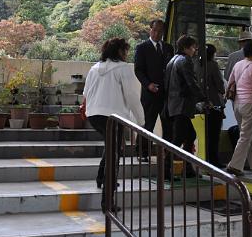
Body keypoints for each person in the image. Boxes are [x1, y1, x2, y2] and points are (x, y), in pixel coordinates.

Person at [84, 37, 145, 209]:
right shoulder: (123, 69)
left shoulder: (94, 68)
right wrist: (141, 122)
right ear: (119, 51)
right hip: (113, 117)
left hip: (95, 115)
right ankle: (107, 202)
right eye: (125, 50)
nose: (127, 54)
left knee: (112, 148)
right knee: (114, 155)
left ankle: (101, 178)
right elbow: (132, 97)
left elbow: (86, 92)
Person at [224, 29, 252, 167]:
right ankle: (236, 165)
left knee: (246, 132)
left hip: (237, 102)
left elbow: (228, 79)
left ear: (241, 43)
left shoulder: (234, 59)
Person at [165, 35, 205, 176]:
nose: (194, 50)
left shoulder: (172, 60)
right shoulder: (185, 60)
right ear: (185, 48)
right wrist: (203, 98)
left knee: (189, 135)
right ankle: (167, 169)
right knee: (178, 139)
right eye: (193, 47)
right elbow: (191, 82)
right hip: (182, 105)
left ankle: (187, 169)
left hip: (173, 105)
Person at [134, 19, 174, 160]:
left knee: (168, 125)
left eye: (160, 31)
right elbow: (138, 70)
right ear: (150, 30)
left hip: (166, 93)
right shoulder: (142, 47)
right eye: (155, 30)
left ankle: (167, 154)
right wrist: (148, 84)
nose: (157, 33)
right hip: (150, 93)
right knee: (148, 124)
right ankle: (142, 152)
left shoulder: (169, 48)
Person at [205, 44, 225, 167]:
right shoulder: (213, 65)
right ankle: (214, 160)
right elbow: (219, 84)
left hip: (202, 104)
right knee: (214, 134)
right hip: (215, 103)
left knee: (206, 134)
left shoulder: (196, 64)